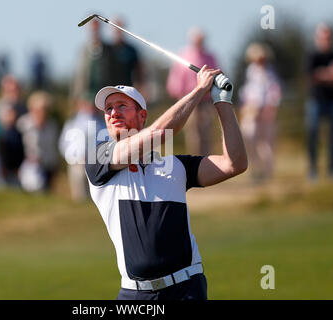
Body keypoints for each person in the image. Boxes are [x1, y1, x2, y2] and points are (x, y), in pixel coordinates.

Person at [85, 67, 247, 300]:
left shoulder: (176, 166)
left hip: (187, 288)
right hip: (135, 295)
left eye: (122, 106)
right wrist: (199, 89)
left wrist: (221, 101)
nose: (113, 113)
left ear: (142, 116)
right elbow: (160, 133)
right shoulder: (99, 160)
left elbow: (235, 163)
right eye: (108, 108)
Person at [166, 28, 218, 155]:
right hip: (189, 99)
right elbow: (176, 77)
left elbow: (216, 75)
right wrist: (178, 93)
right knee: (193, 133)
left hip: (206, 100)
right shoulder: (184, 55)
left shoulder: (210, 56)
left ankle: (206, 159)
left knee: (206, 132)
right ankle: (196, 159)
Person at [239, 43, 282, 183]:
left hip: (266, 111)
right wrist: (245, 107)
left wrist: (270, 108)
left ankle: (267, 171)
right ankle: (254, 170)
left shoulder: (270, 73)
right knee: (250, 139)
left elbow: (275, 92)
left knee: (266, 143)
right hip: (251, 111)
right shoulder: (250, 71)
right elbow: (246, 92)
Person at [306, 23, 333, 181]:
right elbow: (310, 76)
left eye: (328, 37)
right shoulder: (312, 56)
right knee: (313, 135)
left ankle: (332, 170)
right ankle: (313, 169)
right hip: (315, 101)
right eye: (323, 37)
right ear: (318, 38)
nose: (325, 40)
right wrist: (330, 74)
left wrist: (322, 74)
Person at [59, 96, 107, 201]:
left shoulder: (102, 123)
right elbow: (64, 144)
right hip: (77, 164)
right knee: (79, 196)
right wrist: (74, 158)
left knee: (96, 196)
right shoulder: (72, 123)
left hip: (97, 164)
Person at [17, 91, 59, 192]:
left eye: (45, 109)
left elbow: (53, 147)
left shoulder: (52, 126)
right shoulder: (23, 123)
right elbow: (16, 146)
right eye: (39, 109)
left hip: (48, 166)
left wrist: (54, 167)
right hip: (28, 166)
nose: (42, 112)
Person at [72, 18, 115, 102]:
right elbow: (79, 75)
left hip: (104, 94)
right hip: (86, 95)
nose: (94, 31)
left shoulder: (109, 49)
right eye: (92, 28)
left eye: (96, 28)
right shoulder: (83, 49)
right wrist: (76, 95)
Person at [110, 18, 143, 88]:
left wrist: (139, 86)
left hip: (128, 87)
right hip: (111, 88)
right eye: (116, 28)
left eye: (120, 28)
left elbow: (138, 70)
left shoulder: (131, 49)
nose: (118, 31)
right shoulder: (108, 49)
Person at [0, 104, 25, 187]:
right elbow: (0, 152)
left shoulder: (18, 133)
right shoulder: (1, 132)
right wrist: (2, 166)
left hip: (15, 169)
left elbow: (21, 152)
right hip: (2, 168)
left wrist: (18, 167)